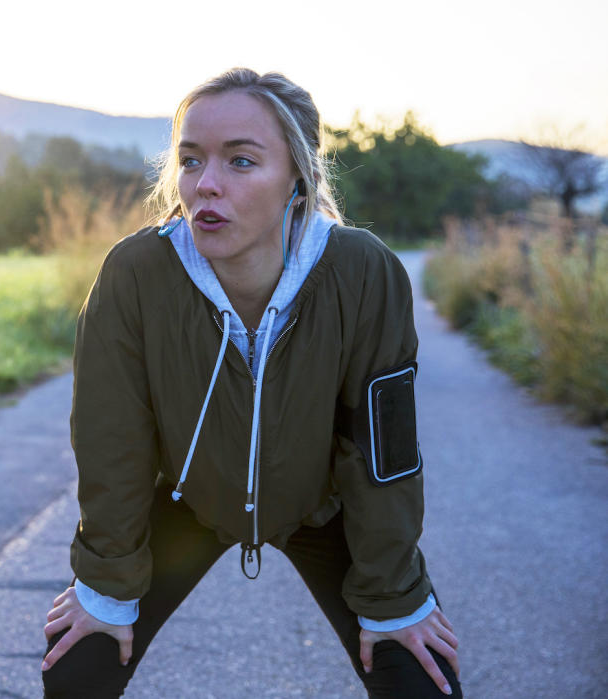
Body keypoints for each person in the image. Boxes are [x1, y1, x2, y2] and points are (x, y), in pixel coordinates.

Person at [40, 68, 461, 698]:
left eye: (241, 161)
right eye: (190, 160)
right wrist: (106, 585)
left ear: (298, 175)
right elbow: (111, 443)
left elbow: (382, 449)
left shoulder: (363, 271)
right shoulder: (136, 274)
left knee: (422, 679)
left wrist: (395, 599)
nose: (205, 185)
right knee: (75, 670)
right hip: (189, 499)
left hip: (322, 507)